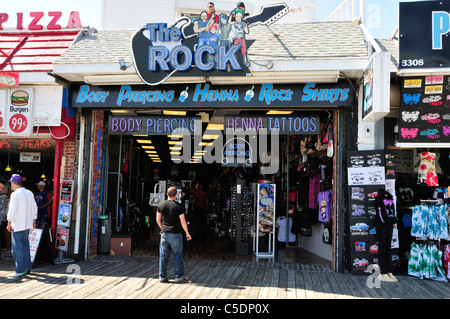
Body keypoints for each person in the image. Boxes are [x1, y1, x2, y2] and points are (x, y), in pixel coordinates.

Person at [156, 186, 192, 283]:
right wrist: (187, 233)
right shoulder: (179, 206)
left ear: (167, 194)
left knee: (163, 255)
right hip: (176, 234)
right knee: (177, 255)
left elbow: (157, 219)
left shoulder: (161, 205)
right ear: (176, 195)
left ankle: (162, 276)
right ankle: (178, 277)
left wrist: (162, 228)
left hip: (164, 233)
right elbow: (183, 221)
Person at [6, 174, 37, 279]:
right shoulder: (29, 193)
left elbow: (12, 209)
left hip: (18, 224)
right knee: (25, 246)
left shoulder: (15, 194)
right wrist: (34, 221)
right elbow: (34, 208)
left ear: (14, 183)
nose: (11, 185)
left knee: (16, 249)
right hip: (27, 224)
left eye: (11, 183)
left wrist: (9, 222)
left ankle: (19, 271)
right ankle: (27, 267)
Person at [374, 188, 398, 282]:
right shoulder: (383, 199)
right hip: (385, 224)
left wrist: (386, 221)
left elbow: (382, 213)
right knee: (384, 247)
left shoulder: (383, 199)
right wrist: (387, 221)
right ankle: (383, 271)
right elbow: (380, 213)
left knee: (385, 247)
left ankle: (388, 271)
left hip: (385, 224)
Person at [0, 181, 10, 254]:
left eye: (2, 188)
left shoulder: (4, 197)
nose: (1, 189)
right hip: (3, 217)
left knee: (2, 232)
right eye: (0, 187)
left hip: (3, 218)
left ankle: (4, 246)